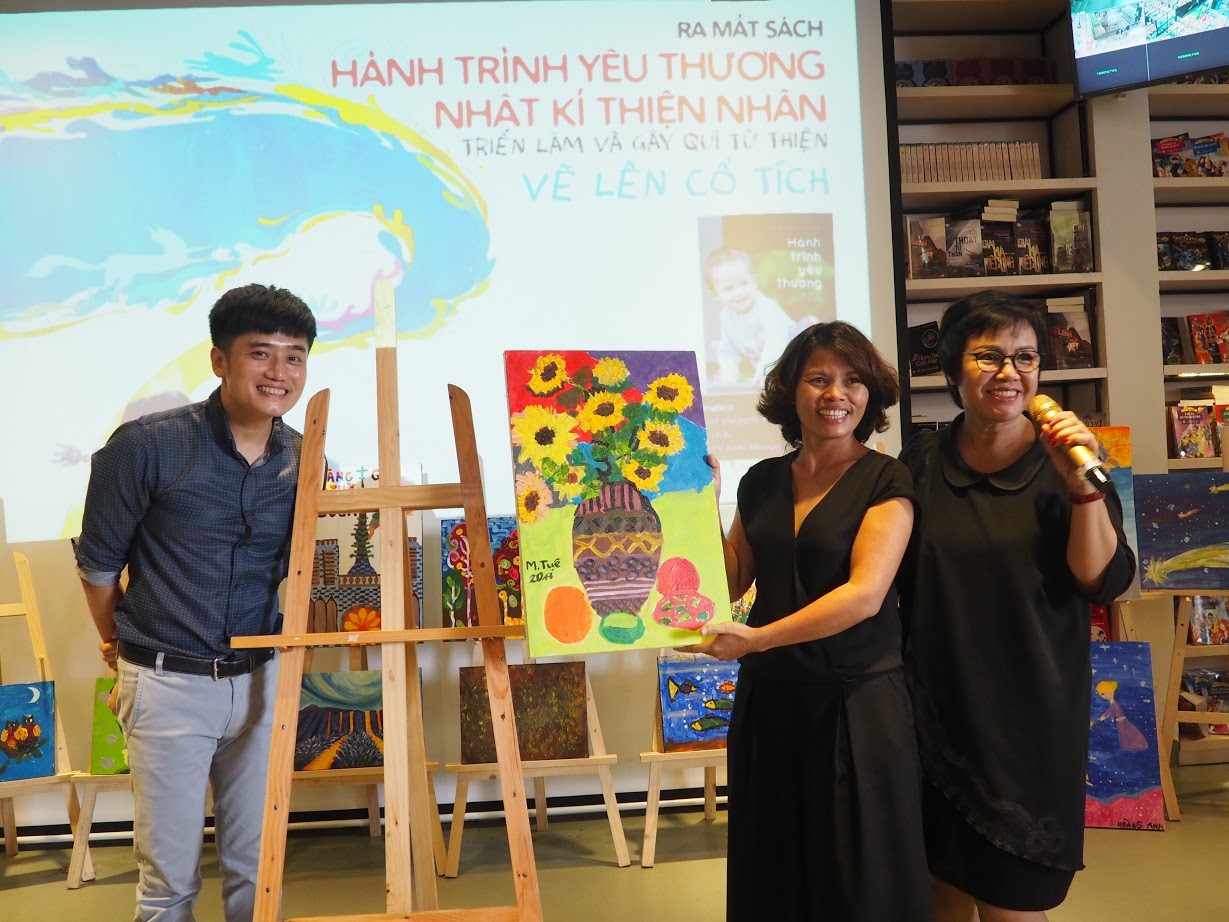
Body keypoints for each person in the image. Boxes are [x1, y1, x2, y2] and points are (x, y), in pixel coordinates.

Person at [75, 283, 316, 922]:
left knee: (260, 872)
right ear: (218, 360)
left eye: (294, 357)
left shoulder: (305, 458)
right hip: (167, 682)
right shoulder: (145, 445)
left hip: (262, 683)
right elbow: (98, 567)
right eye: (260, 353)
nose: (279, 372)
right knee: (169, 881)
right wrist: (116, 645)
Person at [898, 290, 1136, 921]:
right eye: (989, 356)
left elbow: (1100, 580)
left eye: (1025, 357)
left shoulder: (1069, 459)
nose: (1009, 372)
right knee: (941, 893)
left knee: (1014, 903)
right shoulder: (921, 461)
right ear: (952, 368)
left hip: (1030, 721)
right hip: (935, 716)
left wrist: (1082, 488)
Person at [699, 321, 933, 921]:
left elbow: (864, 595)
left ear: (871, 395)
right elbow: (731, 579)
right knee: (773, 866)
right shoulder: (761, 481)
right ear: (790, 391)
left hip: (857, 704)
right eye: (819, 379)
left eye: (853, 381)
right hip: (771, 704)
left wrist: (758, 639)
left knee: (858, 878)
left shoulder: (888, 479)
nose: (837, 394)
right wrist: (699, 506)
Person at [705, 247, 798, 387]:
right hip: (777, 376)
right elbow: (728, 352)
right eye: (729, 288)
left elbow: (775, 344)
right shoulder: (726, 317)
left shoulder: (766, 308)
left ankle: (807, 324)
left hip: (798, 361)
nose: (739, 292)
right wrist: (728, 379)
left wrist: (763, 373)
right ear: (714, 294)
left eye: (744, 283)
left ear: (754, 280)